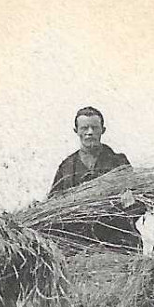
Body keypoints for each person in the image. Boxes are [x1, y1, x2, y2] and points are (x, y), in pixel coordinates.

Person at [48, 106, 140, 251]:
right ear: (76, 131)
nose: (89, 132)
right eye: (84, 128)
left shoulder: (118, 162)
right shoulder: (66, 168)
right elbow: (53, 206)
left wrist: (126, 207)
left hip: (118, 243)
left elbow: (138, 205)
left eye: (94, 128)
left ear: (102, 130)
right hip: (78, 245)